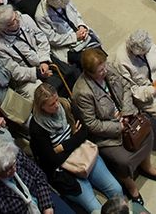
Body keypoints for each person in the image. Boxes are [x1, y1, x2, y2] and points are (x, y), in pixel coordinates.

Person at [70, 48, 156, 206]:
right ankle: (131, 186)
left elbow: (126, 86)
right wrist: (118, 126)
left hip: (126, 116)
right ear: (89, 72)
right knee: (123, 160)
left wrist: (126, 112)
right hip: (107, 133)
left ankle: (146, 166)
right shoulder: (82, 92)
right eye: (100, 70)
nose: (105, 71)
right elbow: (92, 124)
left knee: (146, 133)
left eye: (104, 67)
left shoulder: (109, 68)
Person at [28, 83, 126, 213]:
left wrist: (63, 146)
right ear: (41, 107)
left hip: (85, 156)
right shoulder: (37, 127)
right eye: (51, 104)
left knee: (116, 189)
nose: (56, 105)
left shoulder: (66, 105)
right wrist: (75, 138)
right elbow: (52, 160)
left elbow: (84, 132)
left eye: (56, 99)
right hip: (66, 172)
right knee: (95, 209)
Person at [0, 138, 75, 214]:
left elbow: (39, 175)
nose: (14, 169)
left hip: (39, 195)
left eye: (14, 164)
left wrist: (47, 206)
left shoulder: (13, 153)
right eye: (8, 169)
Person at [34, 0, 101, 68]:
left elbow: (76, 14)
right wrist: (75, 37)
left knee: (99, 53)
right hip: (67, 44)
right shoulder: (41, 16)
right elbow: (52, 39)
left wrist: (81, 26)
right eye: (62, 6)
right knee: (91, 63)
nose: (66, 6)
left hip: (80, 33)